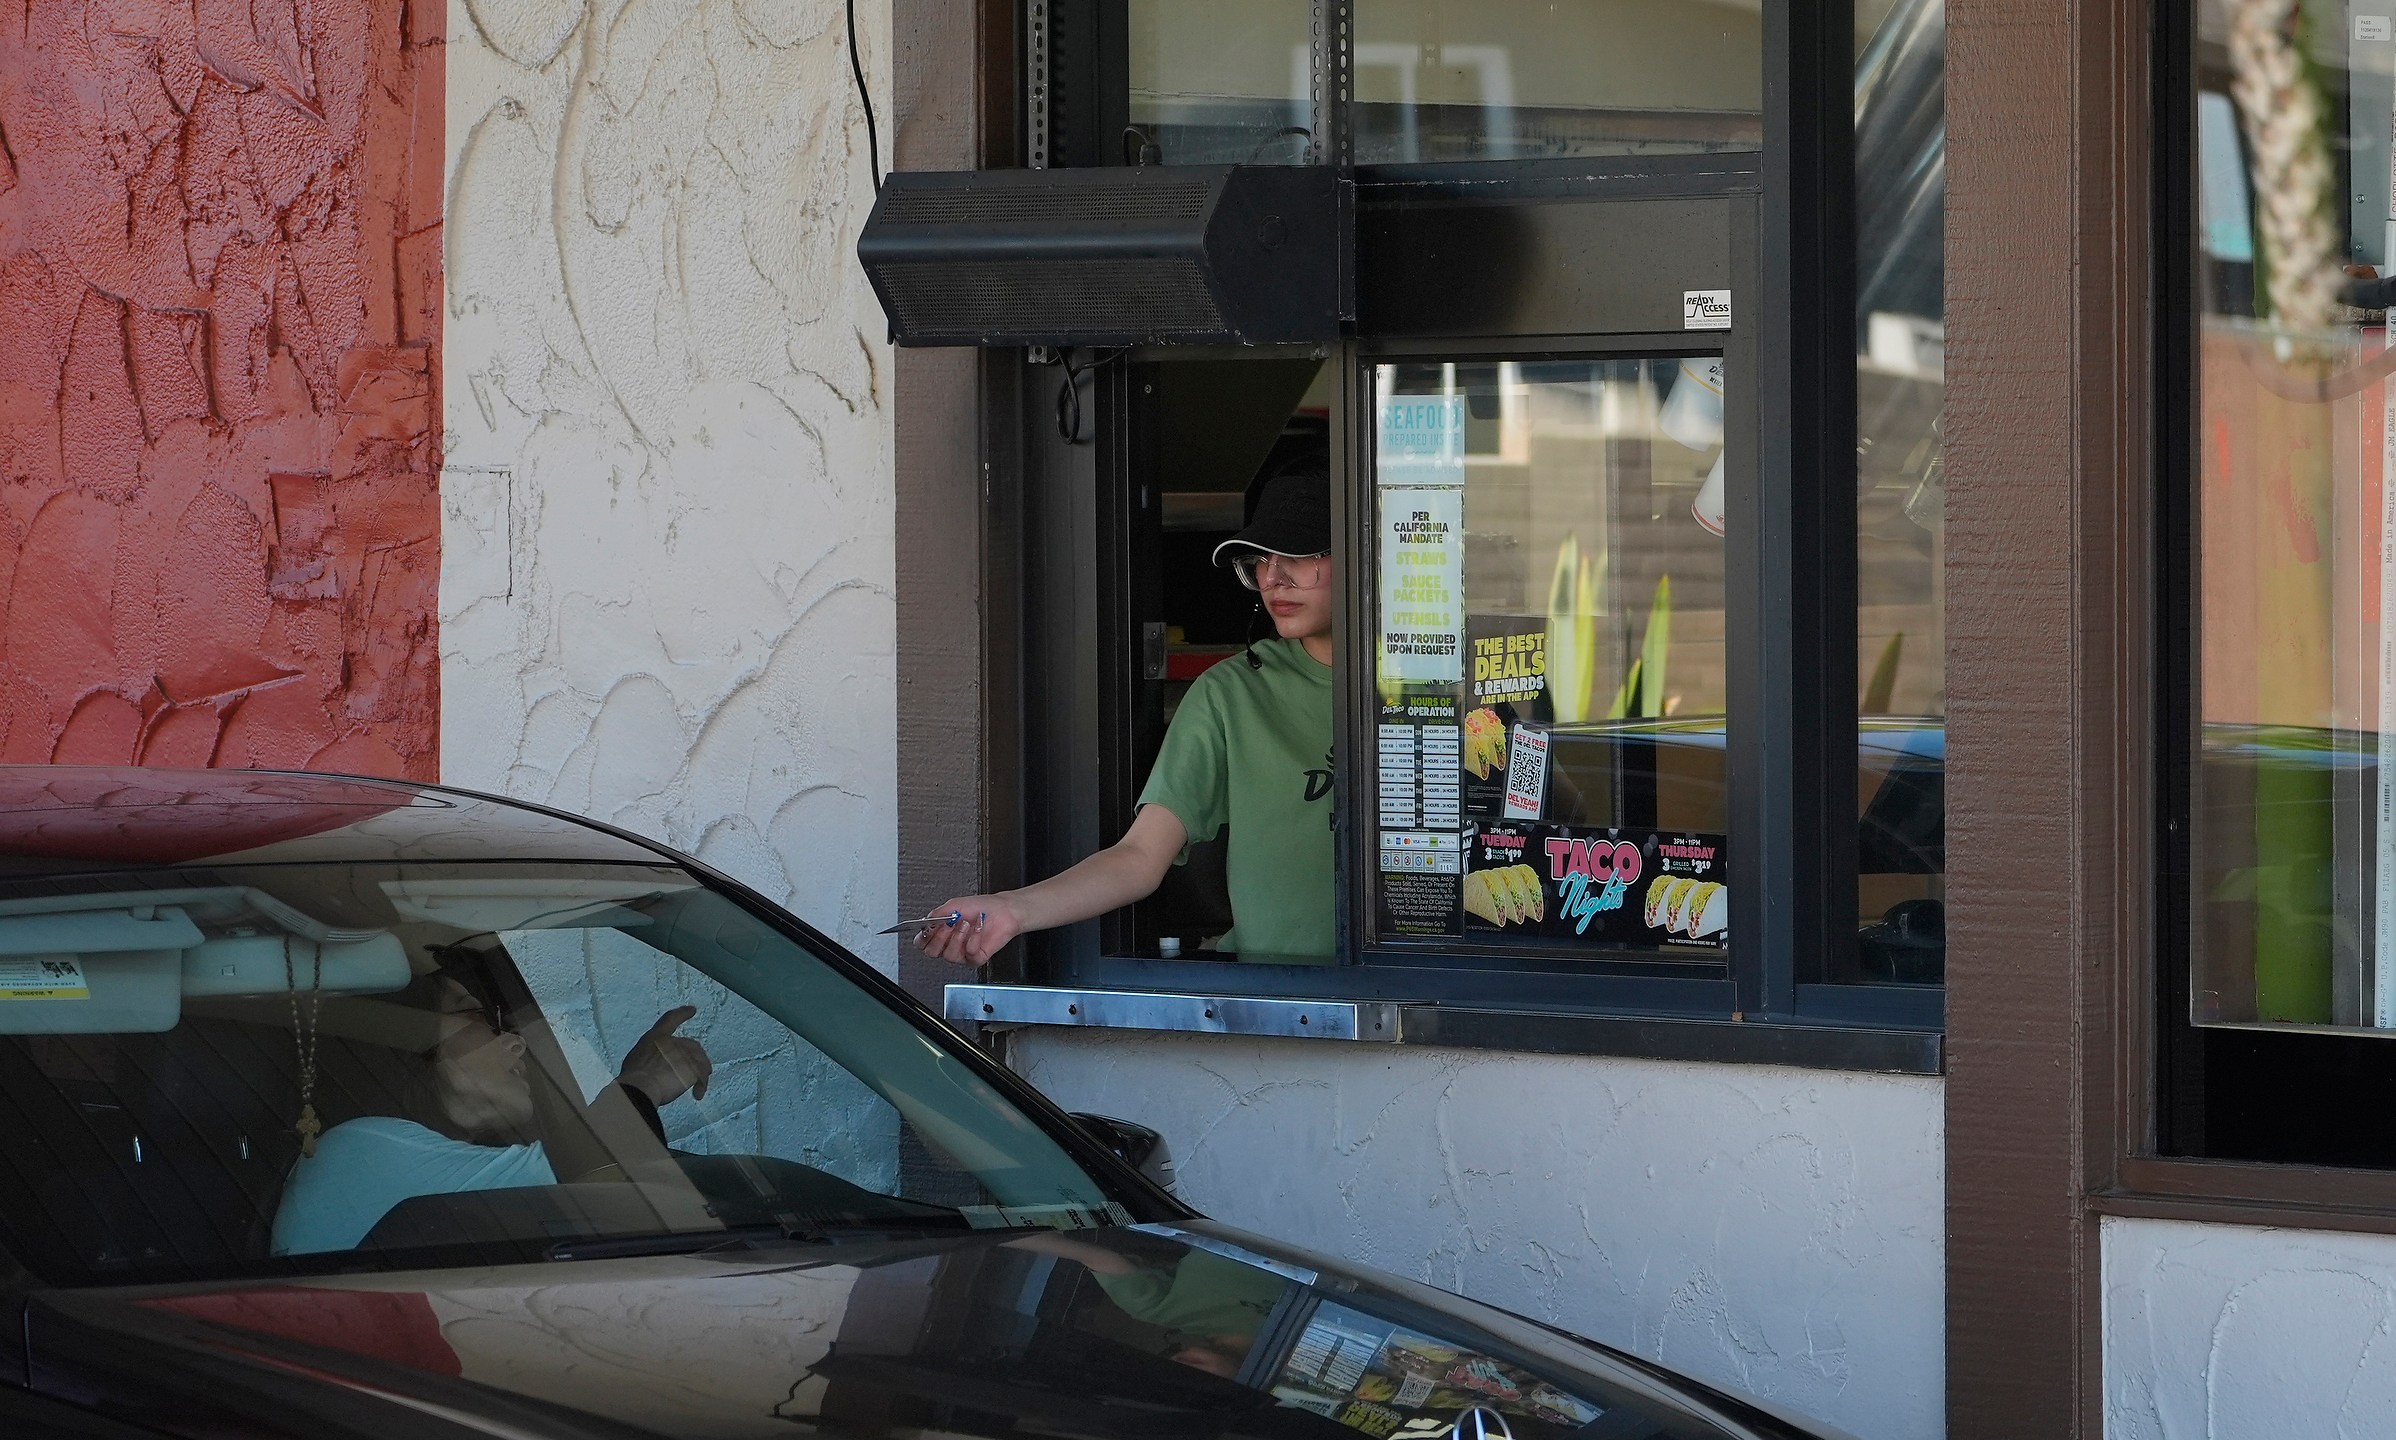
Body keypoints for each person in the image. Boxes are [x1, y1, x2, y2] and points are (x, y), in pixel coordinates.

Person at [921, 452, 1336, 964]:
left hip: (1427, 986)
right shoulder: (1231, 693)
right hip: (1283, 1003)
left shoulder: (1431, 690)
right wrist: (1013, 909)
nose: (1273, 577)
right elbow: (1140, 856)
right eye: (1261, 560)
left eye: (1296, 554)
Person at [270, 970, 713, 1255]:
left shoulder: (453, 1167)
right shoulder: (359, 1150)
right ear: (401, 1036)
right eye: (479, 1017)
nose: (517, 1042)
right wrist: (643, 1083)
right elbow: (596, 1179)